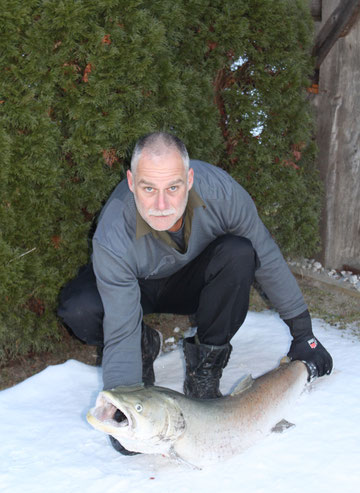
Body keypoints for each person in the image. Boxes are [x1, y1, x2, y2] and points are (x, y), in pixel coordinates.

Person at [58, 132, 333, 452]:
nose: (161, 205)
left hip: (192, 282)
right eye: (149, 189)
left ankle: (206, 368)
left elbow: (267, 258)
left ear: (189, 179)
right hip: (137, 288)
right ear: (132, 183)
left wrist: (304, 335)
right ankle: (144, 345)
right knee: (79, 307)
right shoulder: (113, 232)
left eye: (173, 188)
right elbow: (119, 327)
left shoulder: (223, 193)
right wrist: (125, 407)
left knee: (239, 253)